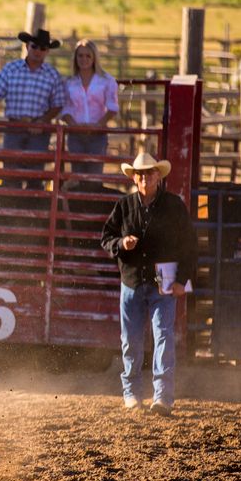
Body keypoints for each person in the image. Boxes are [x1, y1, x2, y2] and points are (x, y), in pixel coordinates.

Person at [100, 153, 197, 416]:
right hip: (132, 280)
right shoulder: (124, 205)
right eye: (140, 174)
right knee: (131, 340)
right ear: (134, 177)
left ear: (158, 176)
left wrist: (181, 279)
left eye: (149, 173)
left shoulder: (174, 205)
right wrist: (121, 244)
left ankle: (162, 397)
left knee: (163, 336)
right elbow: (107, 236)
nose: (145, 178)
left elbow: (189, 244)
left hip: (163, 280)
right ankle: (132, 393)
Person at [0, 29, 66, 190]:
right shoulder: (11, 69)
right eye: (35, 47)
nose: (38, 51)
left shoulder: (52, 74)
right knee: (11, 173)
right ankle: (11, 210)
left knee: (35, 175)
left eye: (43, 48)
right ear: (27, 46)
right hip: (14, 127)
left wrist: (42, 121)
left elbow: (58, 103)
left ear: (47, 51)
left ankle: (31, 211)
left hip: (38, 130)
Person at [61, 39, 118, 175]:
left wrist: (99, 125)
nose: (84, 59)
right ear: (75, 58)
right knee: (77, 174)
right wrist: (74, 125)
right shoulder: (69, 81)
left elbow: (113, 107)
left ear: (94, 58)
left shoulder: (106, 80)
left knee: (95, 175)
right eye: (80, 55)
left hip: (97, 134)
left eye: (88, 56)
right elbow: (65, 108)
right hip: (75, 133)